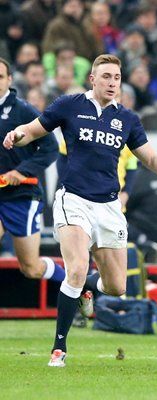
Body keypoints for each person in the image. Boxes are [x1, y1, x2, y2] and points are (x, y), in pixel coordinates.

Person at [3, 54, 157, 368]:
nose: (112, 82)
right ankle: (59, 348)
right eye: (106, 76)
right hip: (73, 200)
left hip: (109, 207)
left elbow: (152, 161)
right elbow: (34, 130)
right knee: (76, 267)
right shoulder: (69, 105)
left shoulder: (127, 119)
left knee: (116, 286)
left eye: (116, 77)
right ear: (92, 79)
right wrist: (17, 135)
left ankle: (87, 287)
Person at [0, 57, 64, 285]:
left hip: (21, 196)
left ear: (9, 80)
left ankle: (77, 283)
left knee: (31, 267)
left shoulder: (24, 111)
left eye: (0, 77)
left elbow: (50, 148)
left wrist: (21, 172)